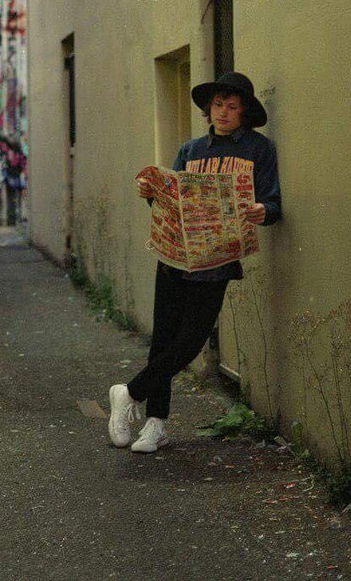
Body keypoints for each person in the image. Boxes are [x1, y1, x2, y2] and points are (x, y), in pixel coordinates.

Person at [108, 71, 282, 453]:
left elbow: (273, 202)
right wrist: (150, 192)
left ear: (244, 112)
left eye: (232, 106)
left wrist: (261, 210)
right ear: (209, 108)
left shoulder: (259, 150)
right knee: (163, 341)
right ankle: (155, 426)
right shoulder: (190, 150)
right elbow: (171, 203)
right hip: (174, 257)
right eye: (218, 105)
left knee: (189, 343)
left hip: (216, 262)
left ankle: (128, 393)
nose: (223, 112)